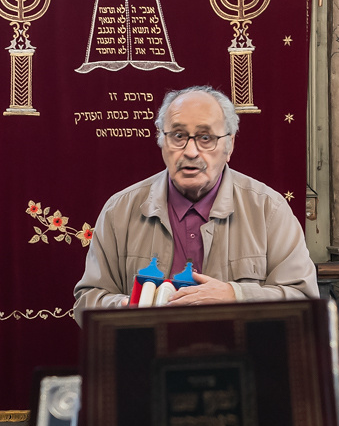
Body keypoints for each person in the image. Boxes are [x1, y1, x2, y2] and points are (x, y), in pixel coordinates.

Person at [73, 86, 318, 317]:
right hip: (149, 357)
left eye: (205, 138)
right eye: (178, 135)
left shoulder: (269, 209)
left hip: (238, 357)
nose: (190, 151)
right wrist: (132, 308)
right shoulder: (120, 211)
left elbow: (304, 300)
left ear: (229, 145)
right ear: (162, 141)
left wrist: (237, 296)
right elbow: (88, 301)